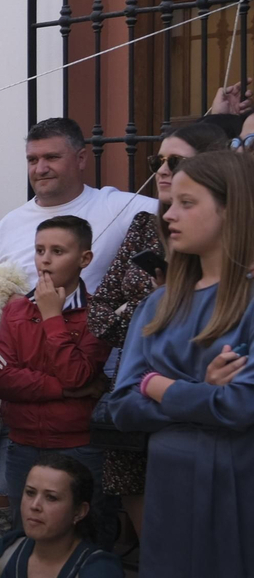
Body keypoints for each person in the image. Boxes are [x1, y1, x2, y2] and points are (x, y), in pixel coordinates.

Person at [107, 151, 254, 578]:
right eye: (171, 201)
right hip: (171, 496)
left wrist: (160, 384)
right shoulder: (158, 305)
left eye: (187, 203)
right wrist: (195, 391)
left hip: (238, 497)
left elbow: (240, 407)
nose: (168, 213)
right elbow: (120, 406)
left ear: (232, 210)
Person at [86, 120, 228, 525]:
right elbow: (100, 317)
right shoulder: (144, 227)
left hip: (212, 450)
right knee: (158, 551)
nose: (163, 170)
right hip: (137, 406)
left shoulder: (234, 284)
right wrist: (154, 302)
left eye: (175, 160)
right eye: (158, 159)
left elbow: (235, 400)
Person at [0, 215, 111, 534]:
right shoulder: (16, 310)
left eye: (58, 251)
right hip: (22, 444)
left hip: (78, 447)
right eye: (39, 250)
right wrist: (65, 391)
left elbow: (78, 375)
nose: (45, 259)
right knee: (24, 536)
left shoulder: (96, 313)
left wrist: (52, 317)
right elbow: (1, 379)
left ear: (84, 259)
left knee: (83, 538)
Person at [0, 117, 154, 287]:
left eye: (52, 157)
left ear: (81, 159)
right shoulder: (9, 224)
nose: (40, 169)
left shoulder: (115, 206)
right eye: (32, 160)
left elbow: (175, 213)